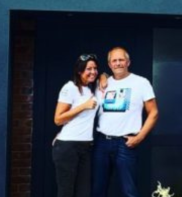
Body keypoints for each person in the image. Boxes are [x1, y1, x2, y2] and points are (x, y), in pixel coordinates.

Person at [92, 46, 159, 197]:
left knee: (129, 192)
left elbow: (154, 112)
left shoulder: (141, 82)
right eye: (114, 60)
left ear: (128, 62)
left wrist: (139, 137)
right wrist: (103, 76)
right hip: (102, 143)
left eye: (121, 60)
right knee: (98, 190)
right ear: (109, 64)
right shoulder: (101, 84)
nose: (118, 63)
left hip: (125, 143)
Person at [53, 54, 99, 197]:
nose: (93, 72)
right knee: (66, 192)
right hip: (68, 146)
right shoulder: (70, 88)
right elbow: (58, 119)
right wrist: (83, 106)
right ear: (79, 71)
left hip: (86, 146)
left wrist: (103, 76)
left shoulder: (91, 89)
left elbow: (104, 76)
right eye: (88, 69)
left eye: (95, 68)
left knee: (83, 192)